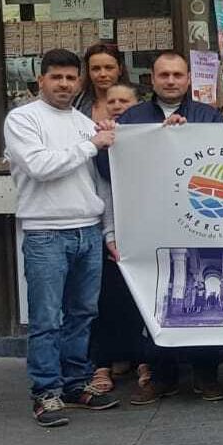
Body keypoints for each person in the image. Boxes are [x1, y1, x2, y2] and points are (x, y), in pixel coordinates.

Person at [5, 49, 120, 426]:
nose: (65, 85)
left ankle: (75, 383)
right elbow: (40, 167)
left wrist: (106, 229)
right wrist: (91, 145)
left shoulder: (84, 122)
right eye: (57, 77)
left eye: (71, 78)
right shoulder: (22, 119)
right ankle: (46, 392)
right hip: (45, 232)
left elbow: (100, 181)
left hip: (87, 229)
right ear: (41, 80)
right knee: (46, 318)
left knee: (82, 314)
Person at [113, 51, 223, 404]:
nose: (171, 81)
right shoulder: (132, 117)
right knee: (158, 296)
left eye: (178, 75)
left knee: (205, 295)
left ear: (189, 79)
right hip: (151, 221)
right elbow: (114, 171)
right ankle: (161, 375)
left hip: (202, 219)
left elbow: (222, 160)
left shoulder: (208, 117)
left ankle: (206, 374)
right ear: (152, 79)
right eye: (164, 75)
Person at [85, 82, 141, 396]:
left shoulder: (150, 136)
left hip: (144, 233)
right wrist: (110, 233)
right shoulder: (100, 140)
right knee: (105, 299)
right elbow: (104, 190)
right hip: (110, 234)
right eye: (112, 101)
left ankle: (142, 360)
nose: (118, 105)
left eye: (125, 100)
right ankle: (102, 363)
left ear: (137, 104)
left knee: (139, 301)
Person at [73, 41, 129, 121]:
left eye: (109, 68)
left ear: (120, 70)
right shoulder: (77, 104)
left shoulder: (137, 104)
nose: (102, 74)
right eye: (96, 69)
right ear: (88, 72)